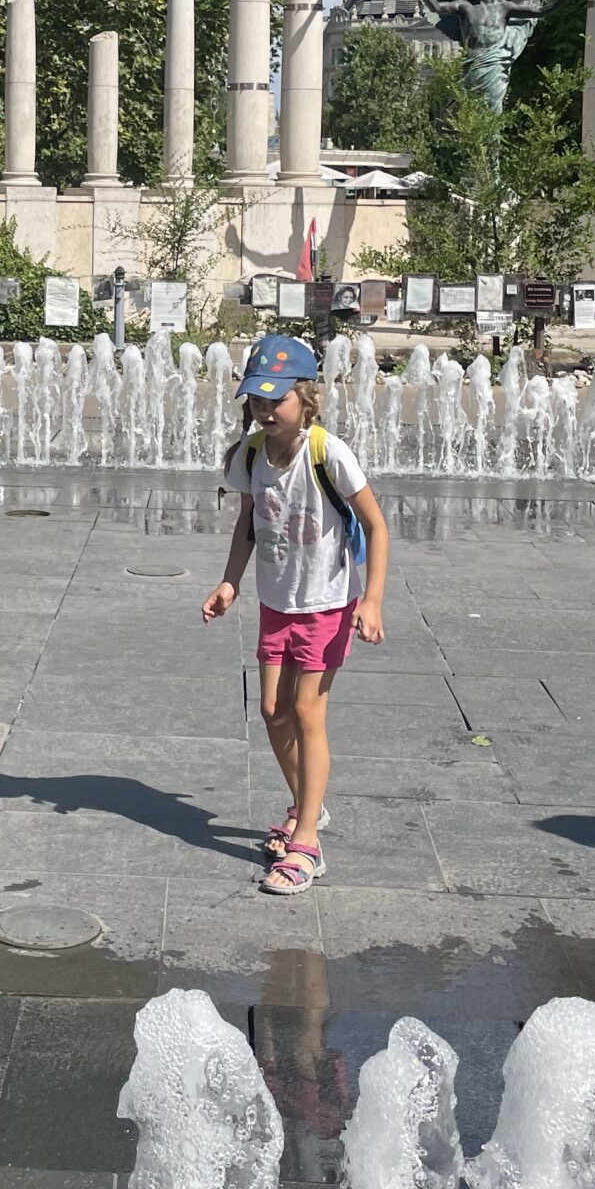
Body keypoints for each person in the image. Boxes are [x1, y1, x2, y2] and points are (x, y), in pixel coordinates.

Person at [202, 332, 389, 896]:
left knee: (307, 712)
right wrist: (230, 580)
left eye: (276, 399)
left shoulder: (328, 452)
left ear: (306, 398)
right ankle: (309, 803)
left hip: (326, 604)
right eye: (256, 400)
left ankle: (307, 841)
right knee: (271, 712)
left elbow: (376, 526)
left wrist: (372, 599)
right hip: (276, 602)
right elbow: (247, 522)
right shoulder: (251, 455)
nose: (265, 410)